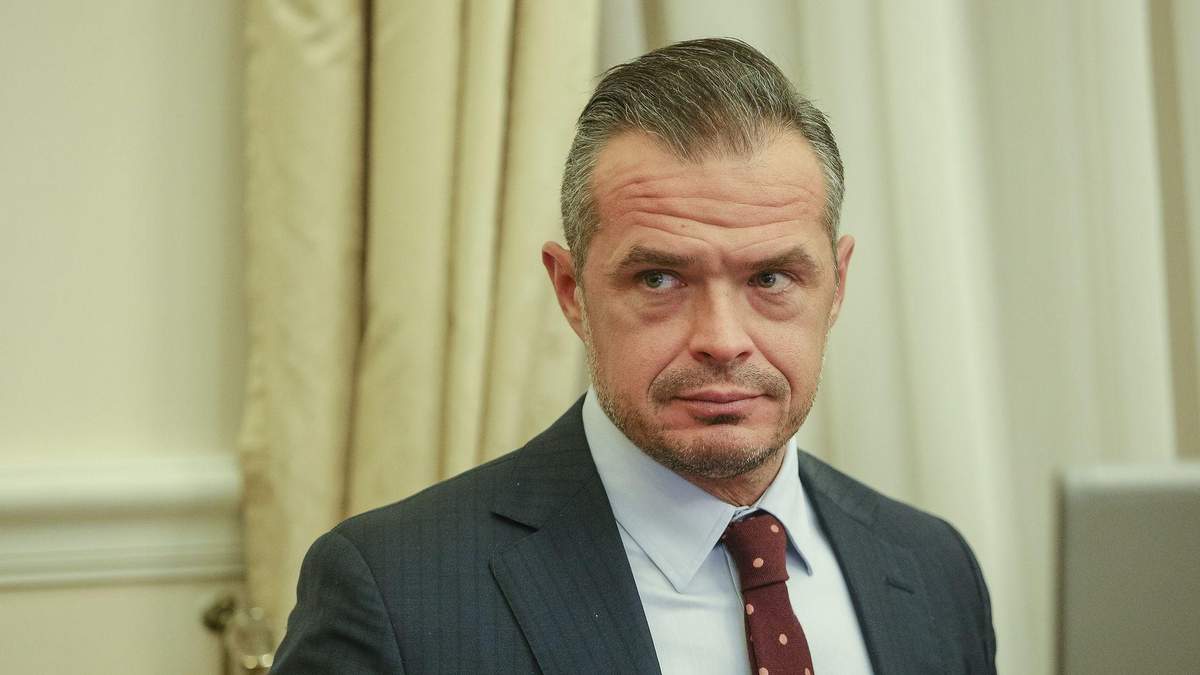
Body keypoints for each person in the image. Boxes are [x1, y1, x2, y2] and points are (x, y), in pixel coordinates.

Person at [272, 38, 997, 674]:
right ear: (571, 291)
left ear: (836, 286)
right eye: (659, 279)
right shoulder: (394, 593)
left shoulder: (933, 567)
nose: (723, 338)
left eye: (771, 278)